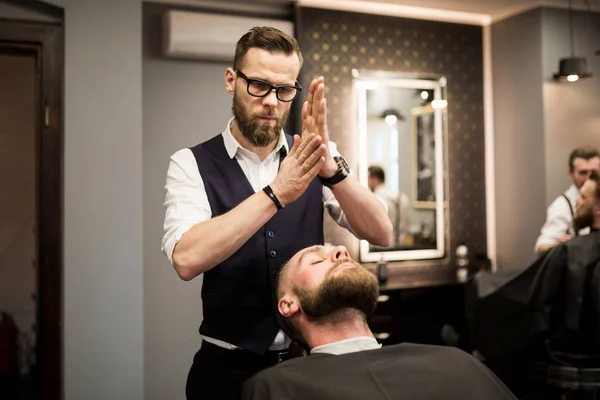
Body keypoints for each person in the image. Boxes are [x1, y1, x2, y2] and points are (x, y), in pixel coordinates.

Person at [160, 27, 392, 400]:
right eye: (259, 86)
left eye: (284, 90)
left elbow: (382, 232)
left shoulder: (314, 155)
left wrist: (333, 172)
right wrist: (275, 193)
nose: (271, 101)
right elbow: (186, 259)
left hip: (312, 364)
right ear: (231, 80)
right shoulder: (191, 164)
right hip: (225, 370)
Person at [241, 244, 517, 400]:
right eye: (315, 260)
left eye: (338, 252)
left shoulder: (457, 363)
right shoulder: (275, 389)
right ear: (288, 304)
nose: (340, 251)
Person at [534, 146, 599, 256]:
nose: (588, 178)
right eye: (583, 172)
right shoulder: (562, 206)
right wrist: (560, 247)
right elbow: (542, 245)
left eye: (593, 172)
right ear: (571, 172)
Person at [368, 166, 410, 247]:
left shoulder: (375, 198)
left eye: (368, 178)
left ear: (374, 179)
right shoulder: (402, 197)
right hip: (400, 245)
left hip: (379, 247)